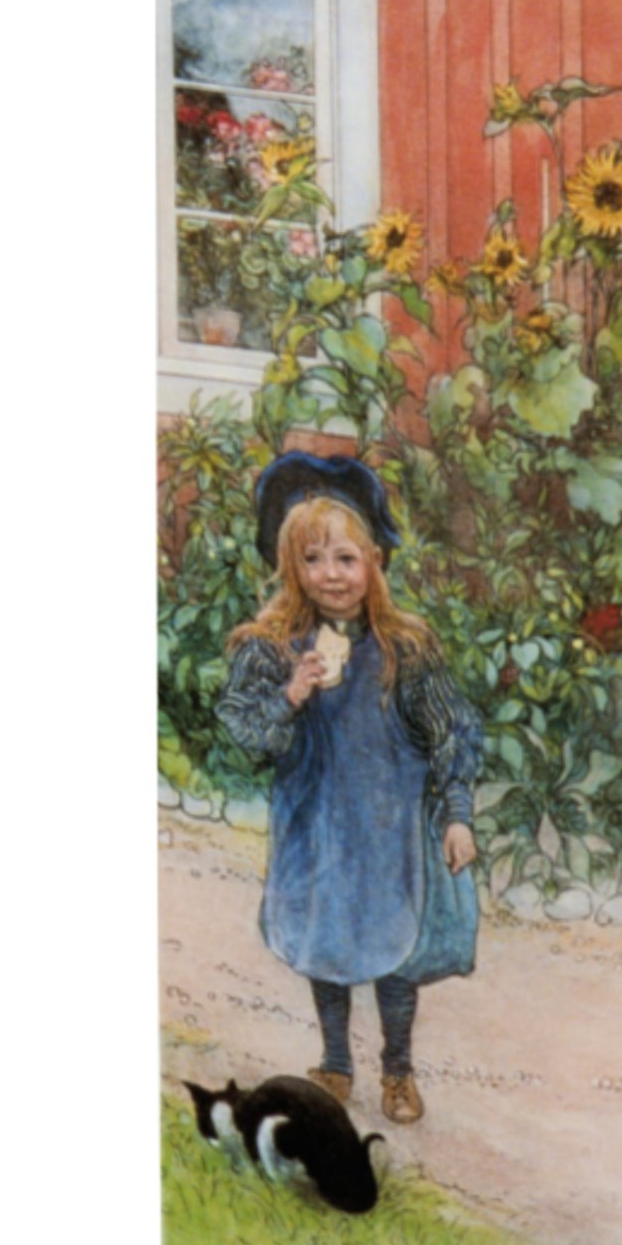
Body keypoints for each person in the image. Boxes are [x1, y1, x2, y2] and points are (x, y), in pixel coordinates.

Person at [215, 453, 482, 1124]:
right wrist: (290, 695)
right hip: (317, 823)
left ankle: (398, 1070)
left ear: (375, 562)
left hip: (389, 828)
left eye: (345, 558)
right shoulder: (274, 647)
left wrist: (456, 814)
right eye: (312, 560)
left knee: (395, 950)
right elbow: (245, 735)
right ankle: (335, 1061)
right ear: (291, 567)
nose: (330, 575)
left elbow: (451, 730)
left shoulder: (403, 648)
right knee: (325, 939)